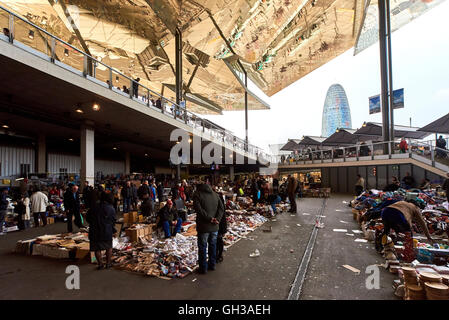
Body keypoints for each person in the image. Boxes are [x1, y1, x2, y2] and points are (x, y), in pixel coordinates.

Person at [193, 182, 224, 274]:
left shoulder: (197, 195)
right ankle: (212, 265)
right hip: (215, 227)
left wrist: (210, 219)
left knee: (202, 247)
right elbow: (221, 208)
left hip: (204, 227)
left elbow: (199, 210)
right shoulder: (215, 194)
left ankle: (203, 269)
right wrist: (217, 219)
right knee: (213, 246)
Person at [87, 191, 116, 270]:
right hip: (107, 230)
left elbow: (88, 218)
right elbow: (113, 221)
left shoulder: (94, 207)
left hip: (95, 230)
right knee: (108, 247)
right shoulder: (111, 208)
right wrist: (113, 230)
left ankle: (100, 264)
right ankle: (108, 263)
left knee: (97, 248)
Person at [216, 193, 227, 263]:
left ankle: (219, 256)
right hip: (220, 226)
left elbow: (222, 219)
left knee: (219, 241)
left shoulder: (219, 207)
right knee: (218, 240)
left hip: (220, 226)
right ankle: (218, 255)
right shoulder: (221, 206)